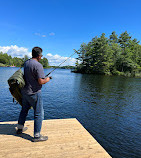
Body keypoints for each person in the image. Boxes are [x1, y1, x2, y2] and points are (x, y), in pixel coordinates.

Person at [16, 46, 50, 142]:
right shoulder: (38, 65)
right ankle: (37, 136)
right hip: (34, 93)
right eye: (41, 55)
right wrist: (47, 79)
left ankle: (19, 128)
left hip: (25, 92)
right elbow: (40, 81)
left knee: (24, 110)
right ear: (39, 56)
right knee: (39, 114)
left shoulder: (26, 62)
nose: (41, 57)